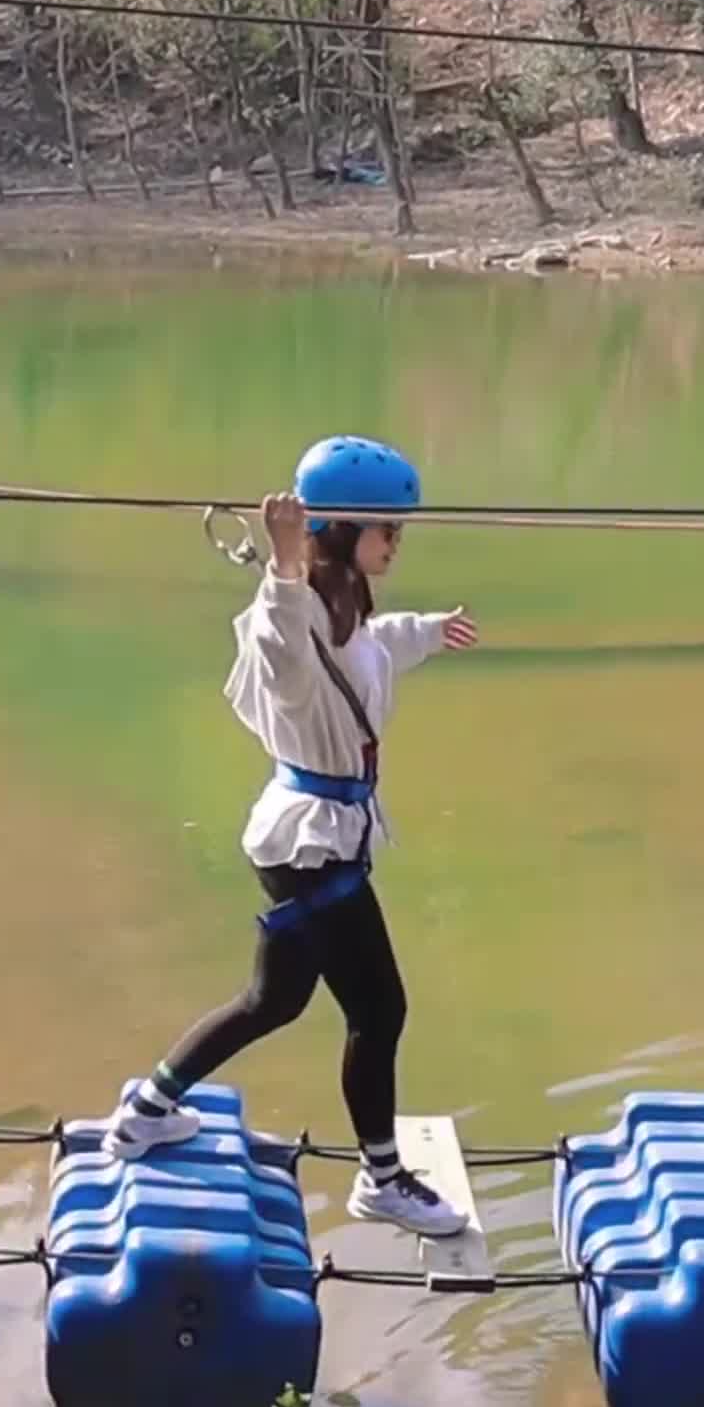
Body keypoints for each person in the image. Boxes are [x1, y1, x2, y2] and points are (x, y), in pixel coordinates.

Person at [100, 436, 480, 1238]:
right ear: (343, 530)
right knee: (379, 1011)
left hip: (312, 839)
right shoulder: (290, 608)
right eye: (388, 531)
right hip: (314, 848)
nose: (396, 544)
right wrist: (279, 562)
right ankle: (382, 1179)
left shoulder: (340, 606)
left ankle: (146, 1111)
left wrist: (431, 630)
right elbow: (283, 661)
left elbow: (367, 653)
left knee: (274, 1001)